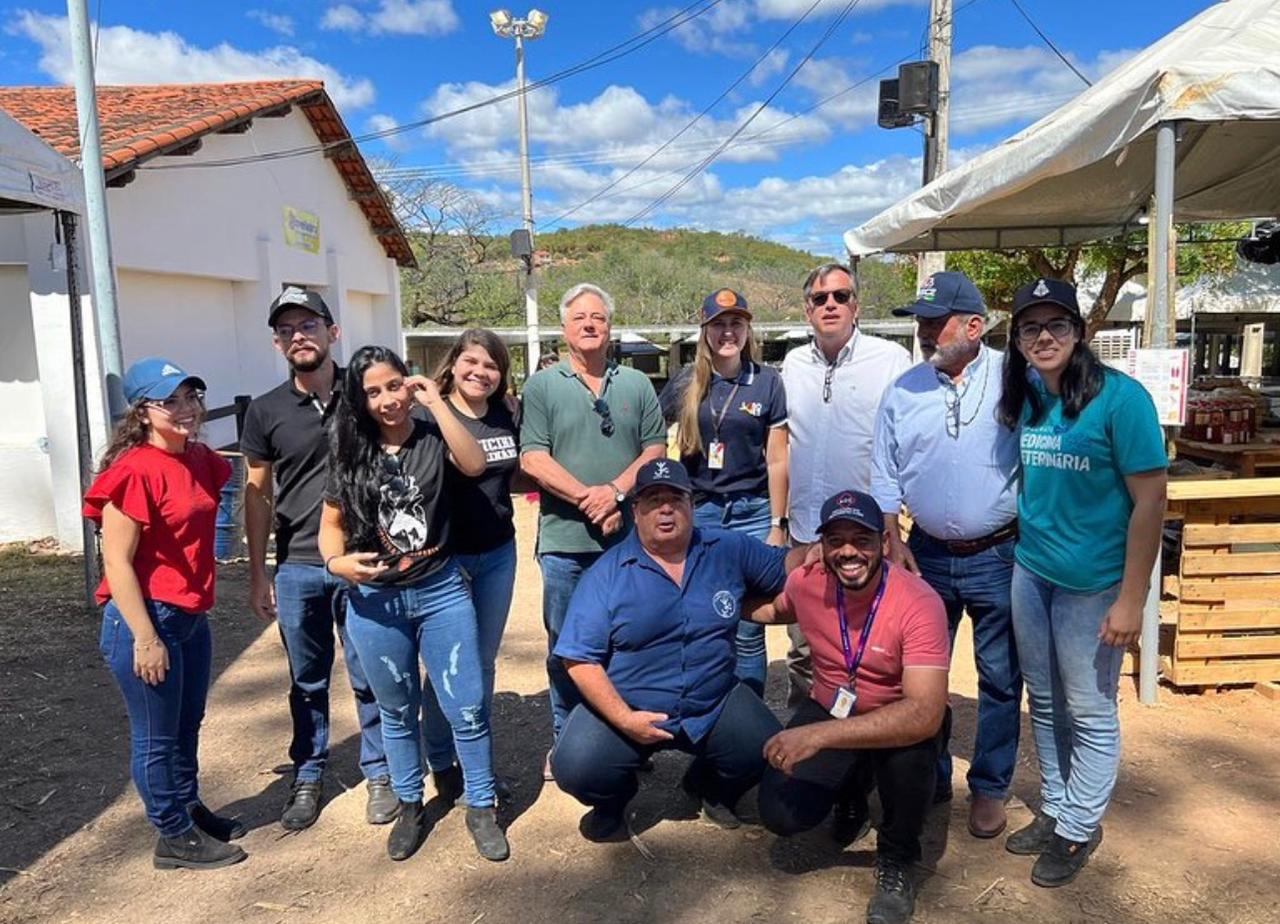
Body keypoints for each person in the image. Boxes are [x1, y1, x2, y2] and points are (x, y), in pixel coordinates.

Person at [997, 278, 1166, 888]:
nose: (1044, 338)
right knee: (1043, 699)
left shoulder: (1123, 401)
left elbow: (1150, 502)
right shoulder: (1030, 398)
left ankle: (1079, 826)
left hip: (1094, 584)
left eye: (1057, 326)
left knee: (1090, 709)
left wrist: (1131, 598)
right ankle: (1058, 806)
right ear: (1016, 341)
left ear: (1080, 332)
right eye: (1030, 328)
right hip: (1033, 571)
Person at [550, 459, 812, 839]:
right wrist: (624, 719)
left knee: (765, 751)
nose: (666, 509)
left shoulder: (727, 548)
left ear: (692, 504)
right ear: (635, 511)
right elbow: (578, 659)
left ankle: (708, 787)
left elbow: (785, 564)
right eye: (653, 500)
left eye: (676, 498)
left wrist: (819, 551)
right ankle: (614, 801)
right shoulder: (607, 574)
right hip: (631, 704)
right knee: (576, 766)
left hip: (712, 701)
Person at [318, 345, 509, 863]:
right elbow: (330, 529)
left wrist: (437, 403)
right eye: (373, 391)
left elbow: (472, 463)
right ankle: (409, 802)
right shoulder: (350, 449)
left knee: (466, 707)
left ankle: (480, 805)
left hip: (441, 591)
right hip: (375, 602)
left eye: (394, 385)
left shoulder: (431, 435)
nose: (386, 400)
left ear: (411, 384)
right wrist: (338, 567)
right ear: (359, 399)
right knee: (397, 711)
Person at [752, 489, 949, 924]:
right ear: (821, 548)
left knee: (910, 754)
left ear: (883, 542)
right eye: (835, 540)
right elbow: (772, 609)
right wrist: (711, 606)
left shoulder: (919, 602)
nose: (848, 551)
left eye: (860, 539)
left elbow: (922, 713)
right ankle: (853, 793)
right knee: (781, 814)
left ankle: (897, 858)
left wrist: (816, 736)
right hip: (835, 705)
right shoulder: (808, 583)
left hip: (898, 713)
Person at [871, 271, 1022, 836]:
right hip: (924, 556)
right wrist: (892, 538)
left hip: (999, 554)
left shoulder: (1018, 377)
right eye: (921, 323)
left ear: (975, 326)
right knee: (919, 676)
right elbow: (885, 470)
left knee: (1001, 677)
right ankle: (929, 774)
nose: (925, 332)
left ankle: (989, 787)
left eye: (936, 322)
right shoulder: (904, 389)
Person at [240, 286, 393, 832]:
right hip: (301, 565)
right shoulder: (265, 411)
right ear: (277, 343)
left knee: (370, 672)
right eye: (286, 330)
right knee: (307, 680)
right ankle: (308, 771)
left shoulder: (366, 392)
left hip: (366, 560)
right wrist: (260, 572)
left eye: (308, 325)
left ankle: (380, 770)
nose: (297, 336)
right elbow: (257, 493)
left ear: (334, 332)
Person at [85, 357, 247, 870]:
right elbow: (117, 561)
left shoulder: (198, 457)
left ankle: (187, 807)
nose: (186, 409)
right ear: (142, 412)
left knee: (187, 723)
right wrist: (145, 637)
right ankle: (172, 835)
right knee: (156, 734)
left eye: (191, 397)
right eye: (169, 401)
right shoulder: (133, 471)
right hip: (146, 619)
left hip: (190, 616)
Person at [520, 283, 667, 771]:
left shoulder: (637, 384)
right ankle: (567, 739)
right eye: (580, 317)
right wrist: (590, 498)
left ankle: (626, 733)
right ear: (564, 328)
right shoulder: (542, 386)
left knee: (628, 639)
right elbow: (534, 457)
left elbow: (653, 449)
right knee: (567, 644)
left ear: (609, 327)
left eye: (598, 318)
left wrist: (617, 493)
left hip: (628, 539)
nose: (589, 324)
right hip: (565, 544)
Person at [782, 263, 912, 706]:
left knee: (870, 644)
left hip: (863, 533)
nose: (831, 304)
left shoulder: (891, 360)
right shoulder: (793, 364)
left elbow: (902, 443)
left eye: (841, 296)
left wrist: (892, 524)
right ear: (807, 310)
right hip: (805, 528)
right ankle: (807, 745)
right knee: (804, 647)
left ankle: (869, 747)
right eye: (820, 299)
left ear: (856, 305)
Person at [658, 288, 789, 695]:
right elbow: (653, 438)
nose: (727, 332)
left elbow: (778, 459)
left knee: (749, 627)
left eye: (736, 324)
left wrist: (777, 524)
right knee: (704, 619)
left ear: (748, 329)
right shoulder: (685, 383)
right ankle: (711, 718)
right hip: (702, 514)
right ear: (705, 331)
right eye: (718, 324)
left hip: (753, 513)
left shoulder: (767, 381)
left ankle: (748, 721)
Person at [419, 329, 529, 796]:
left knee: (482, 665)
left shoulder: (506, 413)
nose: (480, 372)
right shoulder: (428, 413)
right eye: (471, 362)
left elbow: (517, 474)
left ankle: (474, 766)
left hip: (499, 553)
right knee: (447, 665)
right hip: (448, 559)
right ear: (454, 362)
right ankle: (441, 761)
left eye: (491, 365)